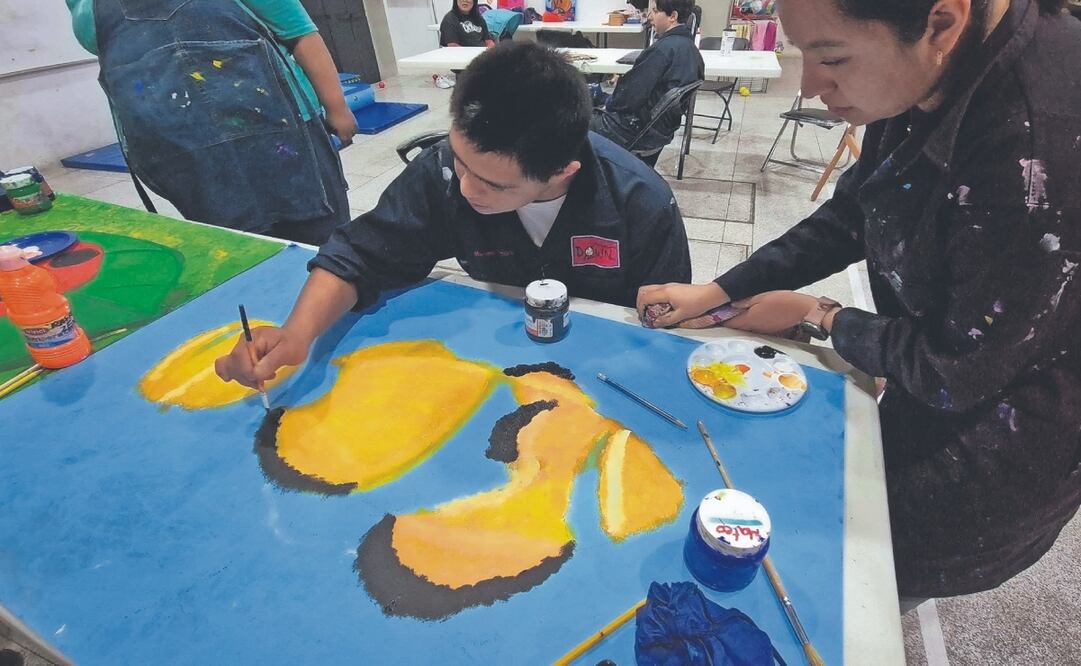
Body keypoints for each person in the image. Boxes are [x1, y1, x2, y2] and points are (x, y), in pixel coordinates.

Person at [639, 0, 1080, 608]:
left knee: (847, 595)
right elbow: (855, 211)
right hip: (929, 380)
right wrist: (720, 290)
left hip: (993, 446)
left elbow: (956, 369)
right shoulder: (926, 69)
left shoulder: (1036, 148)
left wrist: (820, 315)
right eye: (803, 53)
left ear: (940, 24)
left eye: (833, 58)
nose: (812, 87)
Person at [215, 42, 692, 387]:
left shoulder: (641, 203)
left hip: (601, 382)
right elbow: (360, 254)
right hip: (488, 370)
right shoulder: (445, 170)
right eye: (461, 162)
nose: (464, 190)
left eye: (492, 183)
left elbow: (674, 332)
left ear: (563, 170)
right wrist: (297, 334)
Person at [65, 0, 356, 245]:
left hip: (282, 135)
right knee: (240, 247)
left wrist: (336, 107)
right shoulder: (85, 5)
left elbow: (301, 35)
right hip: (185, 151)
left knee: (321, 242)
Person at [590, 0, 704, 166]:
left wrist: (607, 101)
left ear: (673, 16)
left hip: (636, 130)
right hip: (660, 130)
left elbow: (625, 101)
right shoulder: (692, 51)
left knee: (573, 119)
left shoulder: (661, 50)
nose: (650, 16)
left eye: (656, 11)